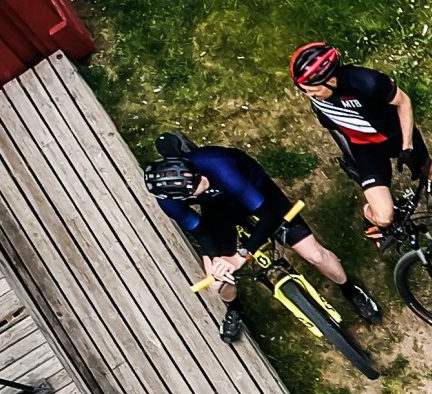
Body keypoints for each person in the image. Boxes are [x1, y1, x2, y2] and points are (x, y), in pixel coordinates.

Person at [145, 138, 381, 340]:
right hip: (218, 211)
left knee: (315, 254)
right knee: (218, 283)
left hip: (256, 194)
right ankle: (234, 307)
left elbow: (268, 216)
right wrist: (218, 264)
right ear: (181, 196)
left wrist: (241, 255)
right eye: (195, 186)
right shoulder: (169, 201)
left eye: (198, 177)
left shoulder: (218, 165)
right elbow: (200, 231)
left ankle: (350, 290)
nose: (202, 181)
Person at [288, 42, 432, 241]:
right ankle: (369, 213)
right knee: (384, 218)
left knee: (431, 176)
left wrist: (408, 146)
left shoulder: (368, 82)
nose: (309, 96)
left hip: (396, 136)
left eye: (311, 90)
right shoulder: (320, 100)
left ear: (331, 81)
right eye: (304, 90)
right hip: (365, 148)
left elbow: (404, 102)